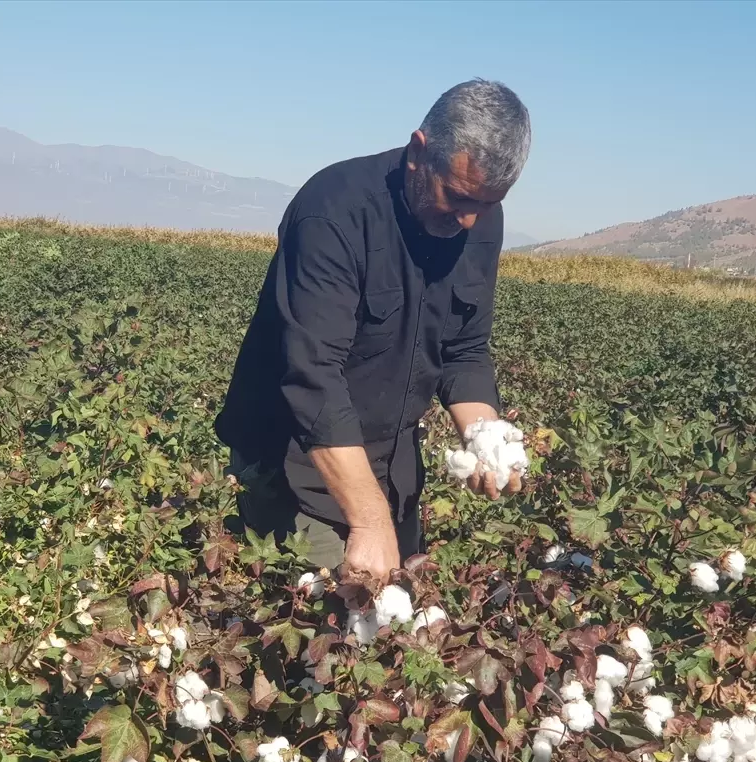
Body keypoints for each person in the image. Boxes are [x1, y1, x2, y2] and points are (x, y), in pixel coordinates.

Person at [214, 79, 532, 580]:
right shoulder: (334, 212)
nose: (472, 220)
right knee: (324, 633)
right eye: (459, 196)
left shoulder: (477, 219)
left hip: (391, 470)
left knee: (392, 634)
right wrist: (369, 521)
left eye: (489, 204)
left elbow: (465, 350)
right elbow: (314, 376)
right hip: (297, 466)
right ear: (418, 153)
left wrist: (484, 439)